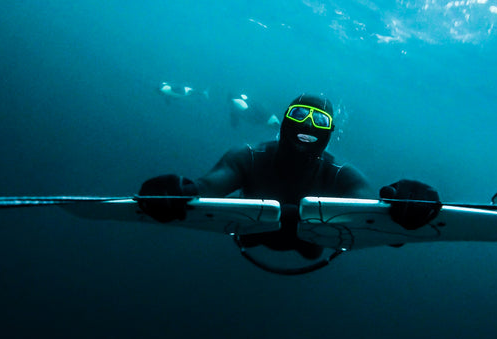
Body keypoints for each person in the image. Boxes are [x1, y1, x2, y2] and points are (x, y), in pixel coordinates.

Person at [138, 93, 441, 260]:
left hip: (306, 243)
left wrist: (400, 210)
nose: (307, 124)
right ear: (284, 121)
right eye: (299, 114)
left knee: (310, 250)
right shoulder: (247, 157)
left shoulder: (341, 174)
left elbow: (369, 211)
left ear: (330, 132)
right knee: (294, 244)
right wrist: (182, 190)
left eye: (319, 119)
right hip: (253, 235)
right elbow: (208, 186)